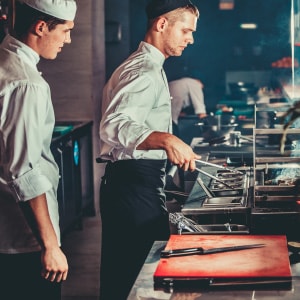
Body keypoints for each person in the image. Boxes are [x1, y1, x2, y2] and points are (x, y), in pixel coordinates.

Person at [98, 0, 200, 299]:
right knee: (138, 280)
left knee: (130, 276)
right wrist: (167, 140)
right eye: (186, 30)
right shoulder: (143, 69)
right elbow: (113, 125)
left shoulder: (150, 65)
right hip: (132, 188)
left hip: (133, 184)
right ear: (162, 24)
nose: (190, 38)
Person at [0, 1, 77, 299]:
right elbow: (25, 171)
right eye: (66, 31)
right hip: (23, 238)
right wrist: (50, 245)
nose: (68, 40)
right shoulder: (25, 83)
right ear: (41, 27)